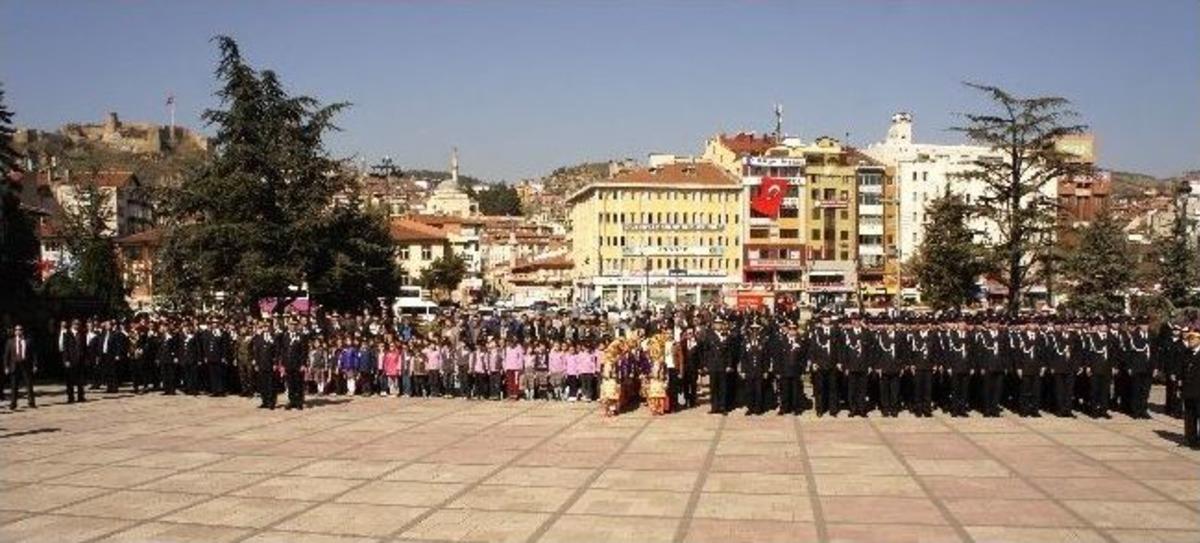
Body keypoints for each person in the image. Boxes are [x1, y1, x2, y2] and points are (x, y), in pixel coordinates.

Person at [6, 324, 38, 409]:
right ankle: (13, 403)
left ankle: (31, 402)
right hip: (14, 365)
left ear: (23, 331)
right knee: (14, 385)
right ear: (14, 331)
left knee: (29, 384)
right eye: (16, 330)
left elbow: (34, 354)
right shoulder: (10, 341)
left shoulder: (28, 341)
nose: (18, 331)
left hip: (26, 364)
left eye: (20, 329)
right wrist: (6, 366)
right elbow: (6, 355)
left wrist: (35, 365)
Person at [1181, 331, 1200, 449]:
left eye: (1192, 339)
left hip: (1199, 390)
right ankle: (1190, 439)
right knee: (1189, 416)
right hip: (1188, 390)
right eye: (1189, 339)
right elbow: (1183, 371)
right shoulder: (1187, 353)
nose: (1190, 341)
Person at [60, 320, 86, 403]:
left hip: (80, 360)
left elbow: (84, 347)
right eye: (76, 324)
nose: (77, 326)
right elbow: (65, 348)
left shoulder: (82, 334)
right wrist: (66, 360)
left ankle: (80, 396)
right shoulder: (67, 334)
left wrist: (84, 358)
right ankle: (70, 397)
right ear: (72, 325)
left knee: (80, 380)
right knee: (70, 380)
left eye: (79, 324)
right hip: (70, 360)